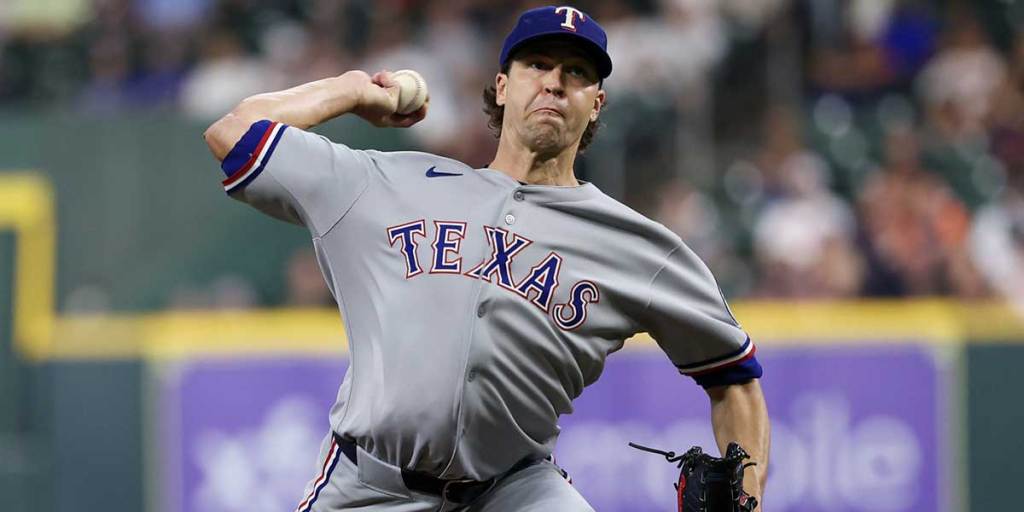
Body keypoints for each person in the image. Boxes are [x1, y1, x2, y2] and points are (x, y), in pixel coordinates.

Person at [203, 6, 769, 511]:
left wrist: (747, 498)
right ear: (501, 86)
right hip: (369, 488)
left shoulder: (636, 244)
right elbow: (234, 133)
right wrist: (352, 91)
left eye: (576, 73)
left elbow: (734, 377)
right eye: (538, 65)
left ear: (596, 105)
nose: (554, 82)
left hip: (515, 491)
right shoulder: (382, 183)